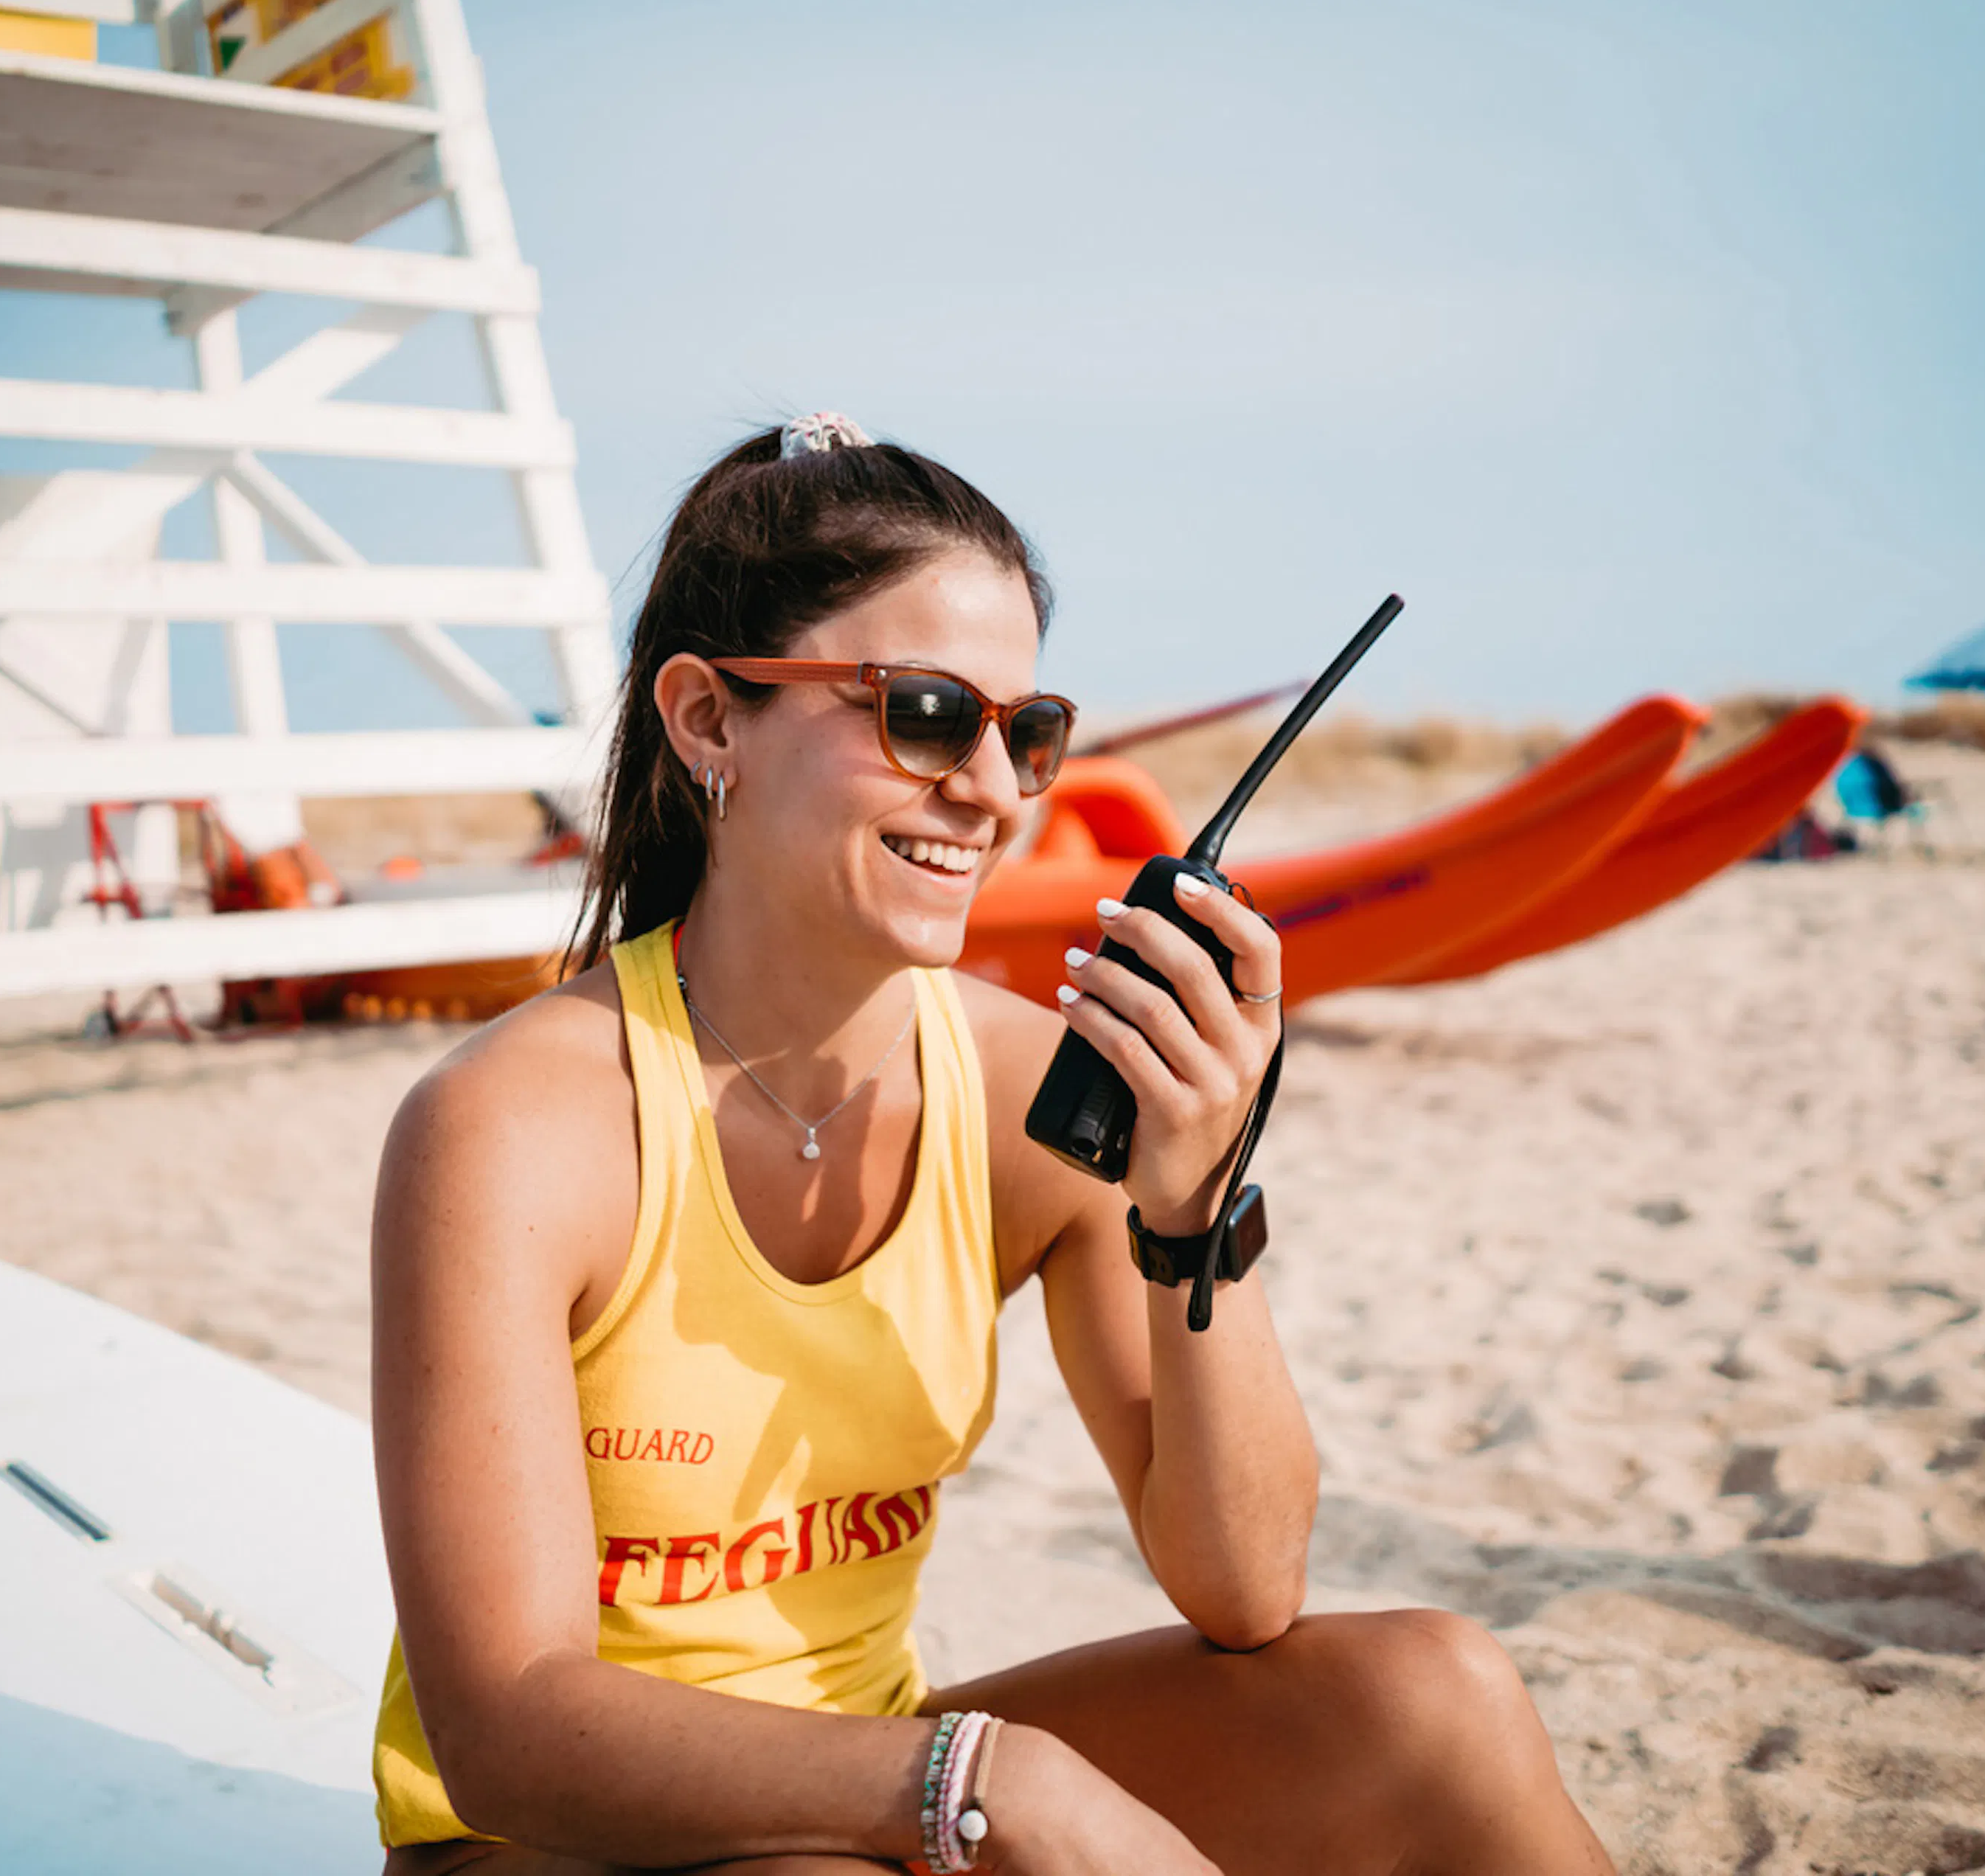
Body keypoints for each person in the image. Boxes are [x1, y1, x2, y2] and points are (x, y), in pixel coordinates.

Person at [368, 412, 1616, 1875]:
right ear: (710, 720)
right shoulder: (510, 1128)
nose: (996, 788)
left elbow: (1243, 1585)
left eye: (1027, 732)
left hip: (878, 1776)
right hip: (551, 1840)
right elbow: (506, 1729)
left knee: (1436, 1695)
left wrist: (1194, 1209)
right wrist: (987, 1777)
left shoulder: (1026, 1093)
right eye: (925, 714)